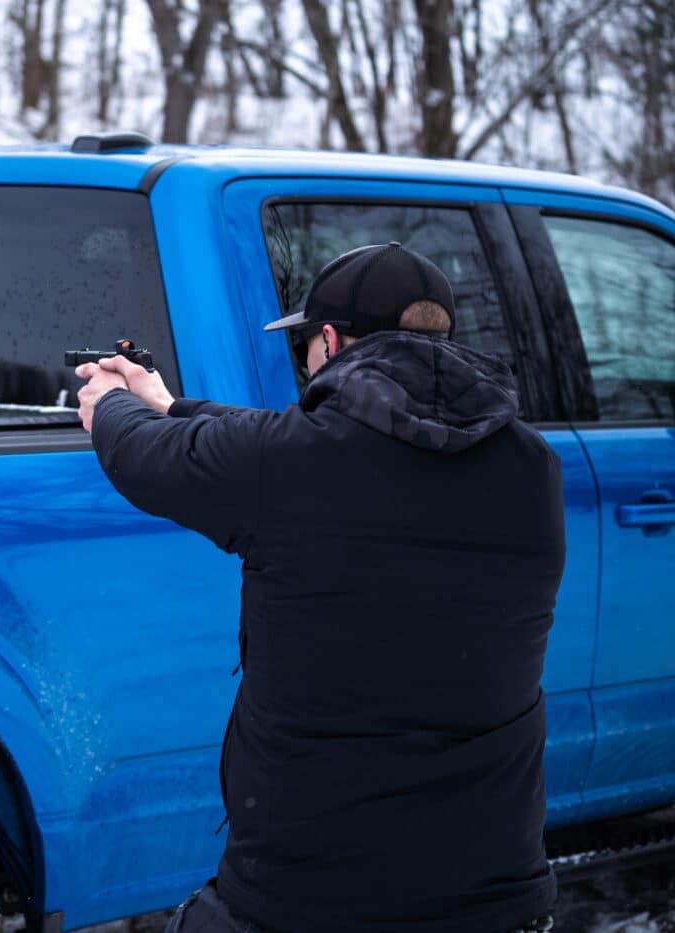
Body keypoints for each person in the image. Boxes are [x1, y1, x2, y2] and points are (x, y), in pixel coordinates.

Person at [75, 243, 564, 933]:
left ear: (329, 342)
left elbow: (153, 458)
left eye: (305, 346)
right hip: (497, 895)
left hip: (311, 899)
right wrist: (171, 403)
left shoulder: (290, 466)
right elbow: (285, 445)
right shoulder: (533, 469)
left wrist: (112, 405)